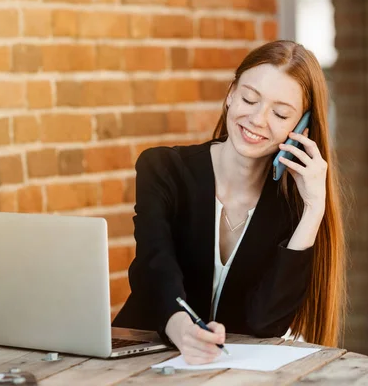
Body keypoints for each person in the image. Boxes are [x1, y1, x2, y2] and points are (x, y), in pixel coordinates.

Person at [112, 40, 345, 365]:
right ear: (231, 94)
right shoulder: (163, 169)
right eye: (250, 98)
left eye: (280, 113)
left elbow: (264, 322)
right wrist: (181, 327)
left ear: (302, 127)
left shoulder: (292, 205)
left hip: (229, 372)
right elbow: (154, 266)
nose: (258, 119)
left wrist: (314, 211)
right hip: (140, 359)